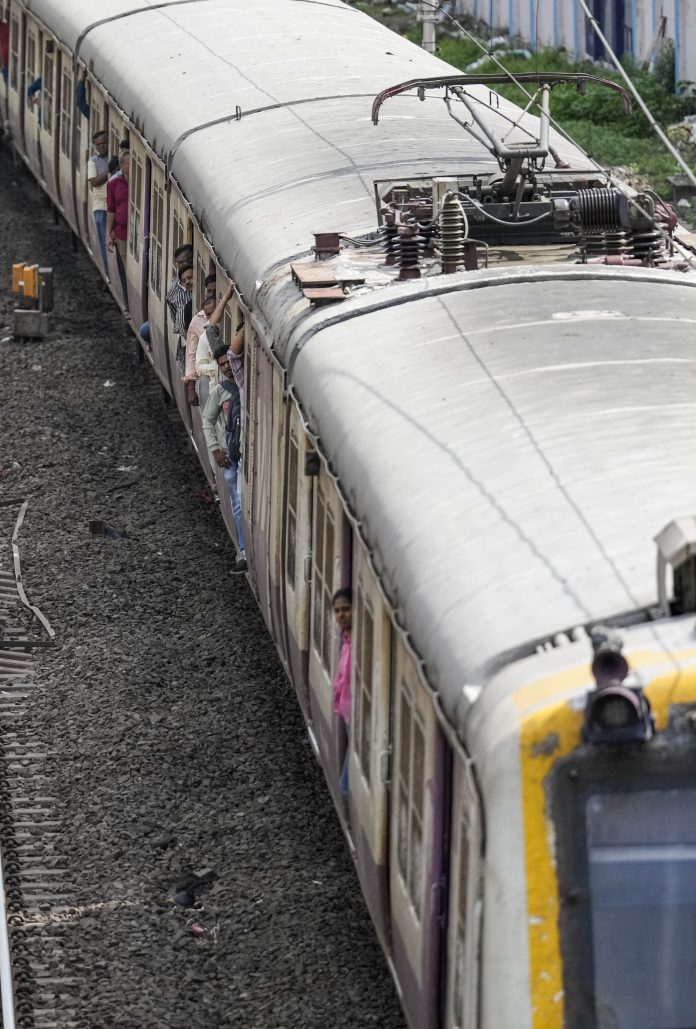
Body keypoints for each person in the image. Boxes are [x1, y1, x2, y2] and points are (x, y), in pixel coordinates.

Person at [201, 344, 247, 574]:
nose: (226, 367)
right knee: (238, 503)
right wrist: (214, 448)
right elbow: (207, 420)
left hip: (247, 456)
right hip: (229, 456)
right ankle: (244, 550)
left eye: (228, 362)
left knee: (242, 501)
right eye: (221, 365)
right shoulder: (220, 391)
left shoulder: (247, 384)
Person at [195, 281, 234, 406]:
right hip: (218, 397)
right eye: (208, 315)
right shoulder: (208, 339)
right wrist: (215, 367)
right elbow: (199, 367)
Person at [332, 587, 352, 798]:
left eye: (345, 609)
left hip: (355, 720)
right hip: (347, 716)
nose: (341, 615)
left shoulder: (355, 644)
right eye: (337, 611)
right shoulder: (346, 642)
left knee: (346, 786)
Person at [106, 149, 130, 315]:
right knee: (124, 270)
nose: (131, 166)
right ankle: (127, 303)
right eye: (128, 163)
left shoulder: (140, 182)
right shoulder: (113, 184)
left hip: (136, 235)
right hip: (121, 233)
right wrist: (108, 233)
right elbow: (111, 210)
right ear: (121, 165)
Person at [184, 294, 216, 406]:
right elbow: (191, 354)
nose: (211, 317)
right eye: (208, 314)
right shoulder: (197, 321)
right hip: (209, 374)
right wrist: (191, 388)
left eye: (214, 313)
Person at [87, 129, 109, 279]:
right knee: (103, 241)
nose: (101, 146)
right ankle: (107, 271)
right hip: (100, 206)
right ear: (95, 146)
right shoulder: (93, 161)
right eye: (98, 144)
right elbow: (94, 182)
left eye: (104, 143)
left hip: (113, 207)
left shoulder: (115, 158)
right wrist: (109, 171)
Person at [165, 244, 193, 337]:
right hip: (184, 339)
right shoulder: (174, 288)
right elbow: (172, 309)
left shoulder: (196, 281)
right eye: (178, 263)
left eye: (183, 263)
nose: (180, 266)